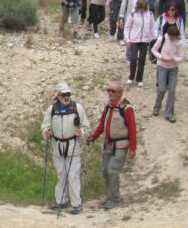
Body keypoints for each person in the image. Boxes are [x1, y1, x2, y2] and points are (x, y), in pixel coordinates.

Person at [40, 82, 90, 215]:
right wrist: (46, 132)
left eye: (68, 94)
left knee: (73, 175)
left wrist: (81, 132)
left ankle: (76, 204)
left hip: (73, 147)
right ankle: (61, 201)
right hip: (57, 147)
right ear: (58, 96)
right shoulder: (51, 110)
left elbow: (86, 127)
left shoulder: (77, 108)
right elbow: (45, 126)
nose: (67, 97)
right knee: (61, 174)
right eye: (63, 95)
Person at [86, 83, 137, 210]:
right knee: (105, 170)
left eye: (113, 91)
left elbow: (132, 129)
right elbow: (102, 124)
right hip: (108, 144)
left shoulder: (126, 108)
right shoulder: (108, 107)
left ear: (120, 93)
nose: (110, 93)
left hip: (121, 145)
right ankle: (111, 196)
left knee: (112, 170)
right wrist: (93, 137)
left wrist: (133, 148)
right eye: (109, 90)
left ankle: (115, 199)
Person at [151, 26, 186, 123]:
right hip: (162, 66)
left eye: (173, 37)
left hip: (173, 68)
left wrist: (174, 59)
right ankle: (157, 106)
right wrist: (161, 57)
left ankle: (169, 113)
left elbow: (182, 57)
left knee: (172, 90)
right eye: (170, 36)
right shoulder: (162, 39)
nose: (172, 38)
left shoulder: (180, 43)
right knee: (161, 89)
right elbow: (154, 49)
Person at [125, 0, 156, 87]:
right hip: (134, 40)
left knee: (142, 60)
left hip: (145, 40)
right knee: (133, 58)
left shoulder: (150, 14)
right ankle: (131, 77)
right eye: (140, 8)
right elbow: (127, 27)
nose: (142, 9)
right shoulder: (133, 14)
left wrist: (154, 38)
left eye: (143, 8)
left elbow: (152, 27)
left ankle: (139, 79)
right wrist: (128, 39)